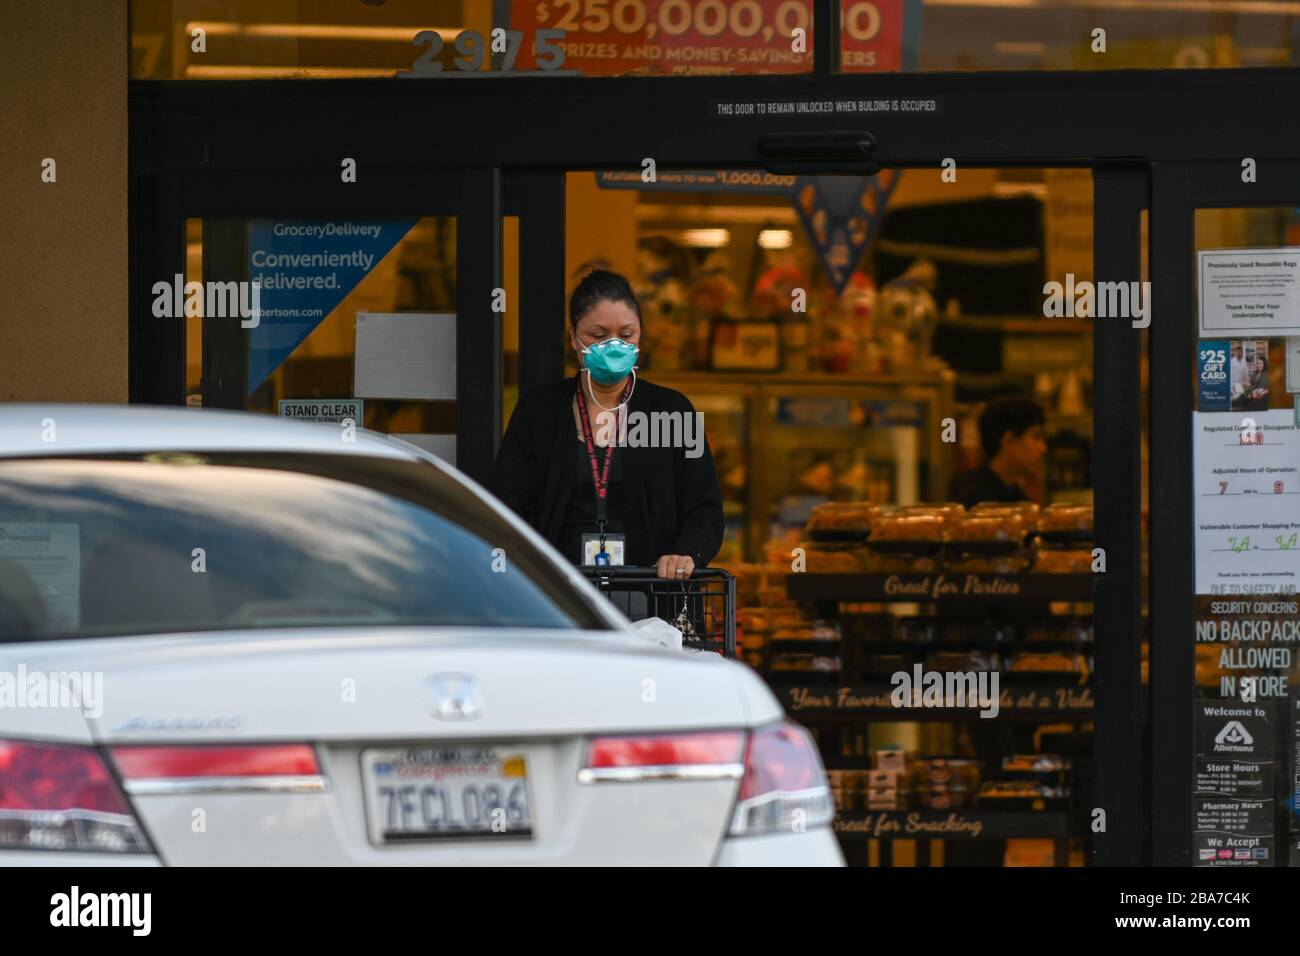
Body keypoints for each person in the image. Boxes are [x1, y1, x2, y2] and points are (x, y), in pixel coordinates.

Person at [489, 268, 723, 578]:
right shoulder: (540, 411)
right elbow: (506, 507)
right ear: (573, 337)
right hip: (560, 595)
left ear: (640, 334)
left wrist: (686, 553)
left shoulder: (670, 411)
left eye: (627, 335)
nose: (614, 346)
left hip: (651, 592)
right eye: (598, 336)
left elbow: (704, 508)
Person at [947, 395, 1047, 508]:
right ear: (1009, 440)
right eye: (1036, 437)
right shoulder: (974, 497)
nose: (1043, 448)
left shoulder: (1015, 494)